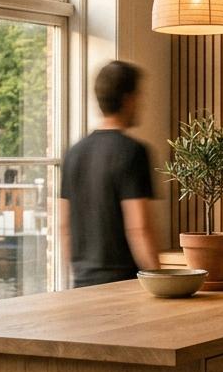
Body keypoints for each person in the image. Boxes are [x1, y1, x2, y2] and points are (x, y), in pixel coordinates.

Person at [58, 60, 160, 287]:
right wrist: (160, 281)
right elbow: (139, 228)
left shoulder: (74, 152)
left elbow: (64, 225)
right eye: (139, 96)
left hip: (82, 285)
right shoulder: (132, 152)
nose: (141, 104)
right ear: (128, 99)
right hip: (123, 285)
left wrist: (73, 280)